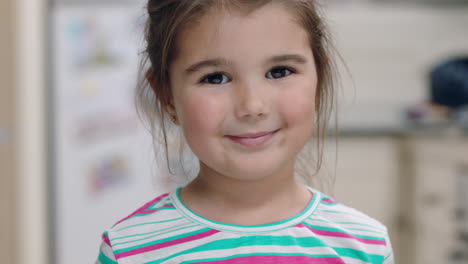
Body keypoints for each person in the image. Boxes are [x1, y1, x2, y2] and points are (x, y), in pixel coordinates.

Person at [96, 0, 394, 263]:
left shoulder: (366, 246)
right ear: (167, 96)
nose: (252, 105)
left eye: (280, 71)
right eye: (215, 78)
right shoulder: (129, 251)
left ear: (318, 79)